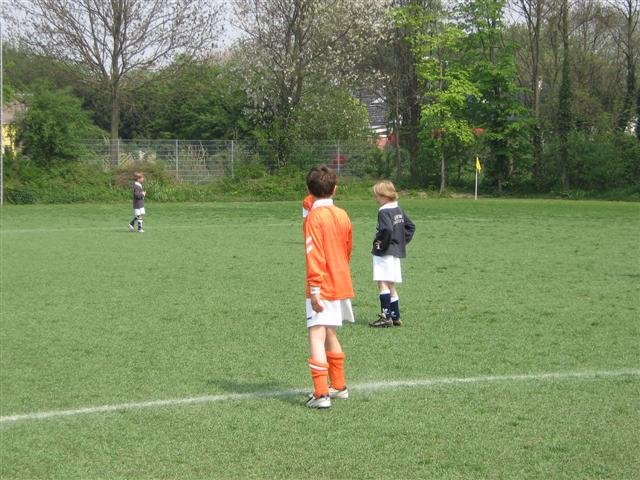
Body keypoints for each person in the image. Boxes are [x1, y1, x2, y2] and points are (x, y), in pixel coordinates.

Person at [303, 165, 355, 408]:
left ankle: (321, 393)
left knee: (316, 332)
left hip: (322, 284)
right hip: (340, 281)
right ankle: (339, 386)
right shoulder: (342, 214)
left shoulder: (314, 217)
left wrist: (314, 289)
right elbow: (347, 248)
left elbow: (314, 253)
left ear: (309, 190)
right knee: (330, 332)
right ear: (335, 189)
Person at [369, 180, 415, 328]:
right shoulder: (397, 208)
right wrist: (399, 242)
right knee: (391, 284)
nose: (376, 199)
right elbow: (410, 227)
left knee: (382, 282)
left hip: (384, 252)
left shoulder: (384, 211)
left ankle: (386, 317)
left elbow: (387, 229)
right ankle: (395, 317)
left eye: (377, 196)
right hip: (395, 253)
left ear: (384, 195)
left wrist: (381, 245)